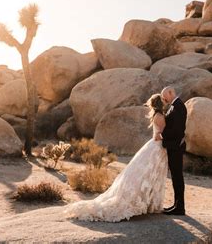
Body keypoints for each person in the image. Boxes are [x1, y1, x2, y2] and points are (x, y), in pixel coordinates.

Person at [64, 94, 168, 222]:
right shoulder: (160, 116)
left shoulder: (156, 116)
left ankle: (148, 202)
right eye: (163, 101)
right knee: (149, 175)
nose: (165, 102)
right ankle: (147, 203)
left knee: (149, 175)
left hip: (154, 147)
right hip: (157, 148)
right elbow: (158, 135)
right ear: (160, 104)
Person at [160, 86, 187, 216]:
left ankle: (180, 207)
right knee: (175, 178)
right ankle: (176, 205)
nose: (164, 99)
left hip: (176, 147)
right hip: (173, 147)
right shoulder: (173, 106)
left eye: (165, 96)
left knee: (177, 177)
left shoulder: (179, 107)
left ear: (171, 92)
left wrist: (162, 135)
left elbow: (176, 130)